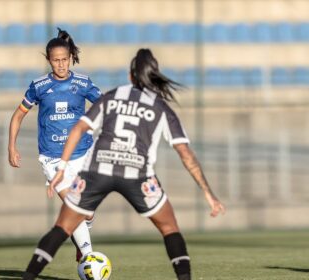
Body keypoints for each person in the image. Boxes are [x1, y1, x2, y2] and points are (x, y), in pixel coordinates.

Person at [22, 48, 225, 280]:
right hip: (137, 174)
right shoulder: (161, 108)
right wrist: (209, 194)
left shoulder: (112, 97)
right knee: (169, 228)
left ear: (130, 77)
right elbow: (186, 154)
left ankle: (28, 276)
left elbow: (79, 128)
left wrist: (62, 167)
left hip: (99, 169)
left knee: (62, 228)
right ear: (155, 76)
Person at [8, 28, 102, 276]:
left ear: (71, 57)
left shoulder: (83, 83)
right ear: (49, 60)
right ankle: (88, 256)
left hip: (83, 154)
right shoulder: (39, 86)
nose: (60, 64)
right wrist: (11, 146)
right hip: (51, 157)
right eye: (55, 60)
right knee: (74, 206)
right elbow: (18, 115)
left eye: (64, 59)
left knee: (87, 212)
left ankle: (84, 241)